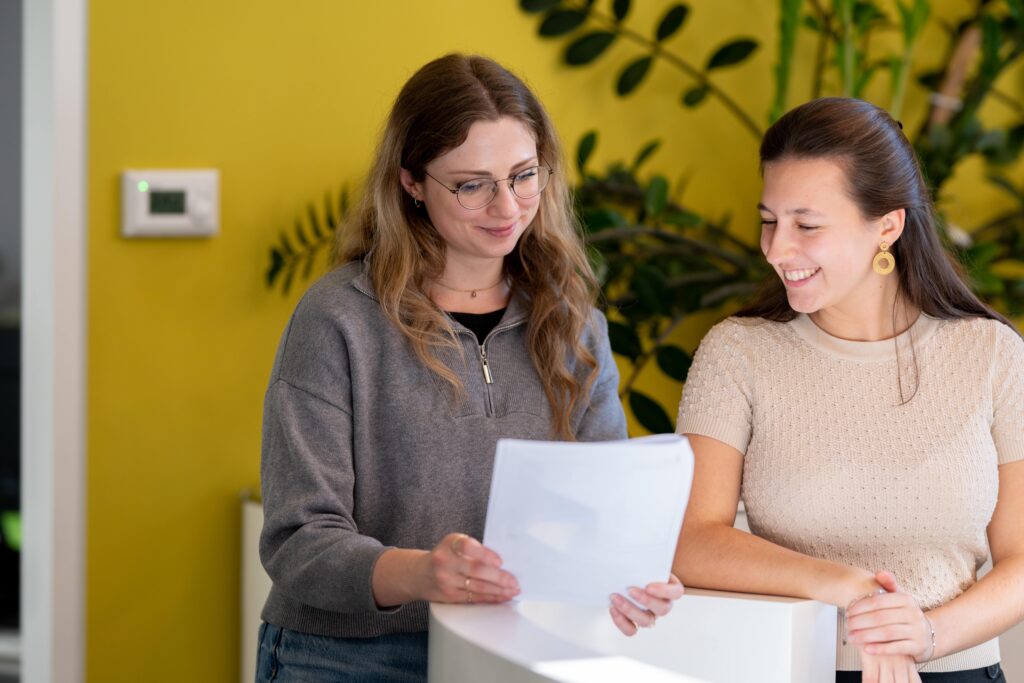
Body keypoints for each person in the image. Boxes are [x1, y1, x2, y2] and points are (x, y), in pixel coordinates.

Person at [256, 53, 684, 682]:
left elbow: (598, 510)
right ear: (412, 183)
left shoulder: (572, 321)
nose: (506, 207)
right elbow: (297, 540)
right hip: (347, 657)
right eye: (471, 184)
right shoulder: (338, 319)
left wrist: (627, 575)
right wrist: (423, 573)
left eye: (522, 175)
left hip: (514, 654)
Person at [675, 97, 1024, 683]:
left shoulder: (992, 355)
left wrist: (925, 635)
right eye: (769, 220)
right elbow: (690, 542)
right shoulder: (737, 353)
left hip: (953, 670)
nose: (777, 248)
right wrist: (851, 591)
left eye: (806, 225)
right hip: (789, 668)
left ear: (887, 225)